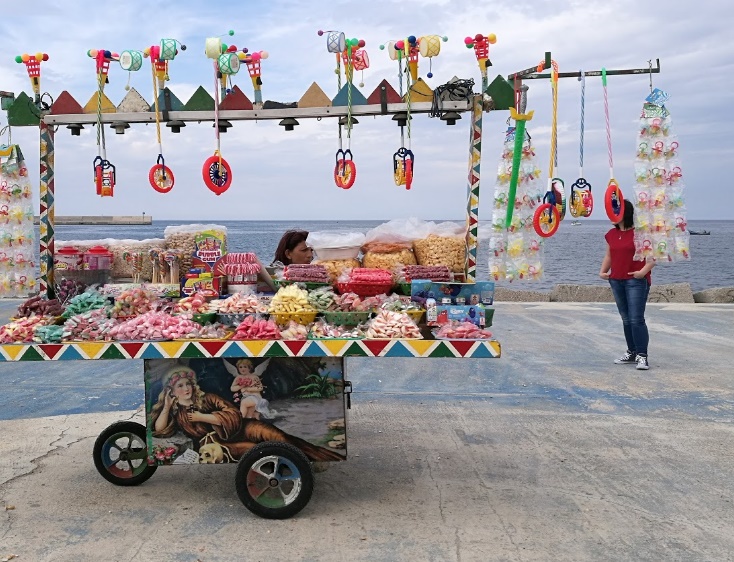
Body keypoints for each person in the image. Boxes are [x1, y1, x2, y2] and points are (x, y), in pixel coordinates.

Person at [150, 365, 341, 462]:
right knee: (257, 450)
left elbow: (233, 413)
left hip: (242, 427)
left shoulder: (207, 398)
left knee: (282, 438)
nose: (186, 389)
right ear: (171, 390)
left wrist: (203, 417)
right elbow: (160, 430)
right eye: (180, 386)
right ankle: (296, 464)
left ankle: (320, 457)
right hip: (219, 443)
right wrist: (166, 406)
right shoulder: (178, 412)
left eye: (188, 384)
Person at [599, 199, 656, 370]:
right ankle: (632, 352)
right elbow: (609, 256)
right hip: (616, 280)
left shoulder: (641, 234)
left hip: (636, 281)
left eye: (615, 211)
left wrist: (642, 272)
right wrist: (603, 271)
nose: (611, 215)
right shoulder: (611, 234)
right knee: (626, 319)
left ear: (625, 213)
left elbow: (653, 257)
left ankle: (642, 356)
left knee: (636, 319)